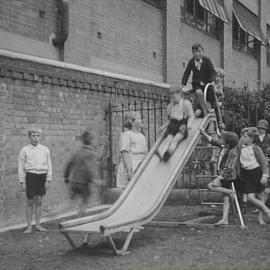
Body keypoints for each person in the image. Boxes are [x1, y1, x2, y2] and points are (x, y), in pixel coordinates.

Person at [200, 128, 239, 225]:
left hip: (227, 176)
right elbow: (213, 141)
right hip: (222, 174)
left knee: (211, 186)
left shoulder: (233, 152)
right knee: (225, 198)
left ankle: (231, 192)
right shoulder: (223, 146)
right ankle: (225, 219)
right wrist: (204, 133)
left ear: (228, 144)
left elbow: (229, 167)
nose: (221, 141)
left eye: (223, 140)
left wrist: (219, 177)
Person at [18, 127, 52, 233]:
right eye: (33, 135)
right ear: (29, 137)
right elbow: (20, 166)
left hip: (42, 176)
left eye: (38, 135)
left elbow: (49, 165)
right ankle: (29, 226)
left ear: (40, 137)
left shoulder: (45, 149)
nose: (36, 138)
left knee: (39, 201)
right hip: (31, 176)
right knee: (30, 201)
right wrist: (22, 182)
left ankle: (38, 225)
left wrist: (48, 179)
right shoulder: (24, 150)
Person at [237, 127, 270, 225]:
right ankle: (268, 211)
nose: (243, 138)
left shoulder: (256, 149)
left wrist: (265, 176)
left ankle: (260, 218)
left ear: (251, 139)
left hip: (257, 173)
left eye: (245, 136)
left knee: (261, 196)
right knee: (251, 198)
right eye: (242, 136)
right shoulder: (240, 148)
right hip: (247, 174)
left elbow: (264, 163)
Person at [64, 128, 101, 214]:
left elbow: (69, 164)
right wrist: (95, 180)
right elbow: (90, 168)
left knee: (71, 202)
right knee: (85, 202)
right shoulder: (91, 153)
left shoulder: (77, 152)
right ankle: (80, 218)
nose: (96, 142)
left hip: (73, 182)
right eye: (95, 139)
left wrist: (66, 177)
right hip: (83, 184)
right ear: (91, 141)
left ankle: (55, 214)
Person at [156, 85, 195, 162]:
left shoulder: (185, 103)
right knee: (168, 140)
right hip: (173, 125)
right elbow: (170, 120)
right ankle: (162, 153)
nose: (173, 99)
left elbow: (191, 116)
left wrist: (189, 124)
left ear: (179, 94)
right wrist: (164, 126)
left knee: (175, 140)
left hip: (181, 125)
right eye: (171, 97)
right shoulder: (171, 106)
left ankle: (168, 153)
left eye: (174, 97)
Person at [180, 42, 216, 117]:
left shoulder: (207, 60)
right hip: (197, 83)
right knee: (199, 93)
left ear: (203, 52)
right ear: (192, 53)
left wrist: (212, 81)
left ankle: (211, 107)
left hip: (207, 83)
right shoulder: (191, 62)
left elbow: (212, 71)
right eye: (194, 52)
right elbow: (187, 72)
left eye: (199, 51)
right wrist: (183, 84)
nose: (197, 54)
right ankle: (204, 111)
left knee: (209, 96)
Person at [116, 112, 148, 188]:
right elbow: (124, 152)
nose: (141, 120)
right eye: (139, 118)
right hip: (131, 166)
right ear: (133, 122)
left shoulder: (142, 136)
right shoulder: (127, 134)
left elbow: (145, 153)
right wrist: (129, 169)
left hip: (141, 166)